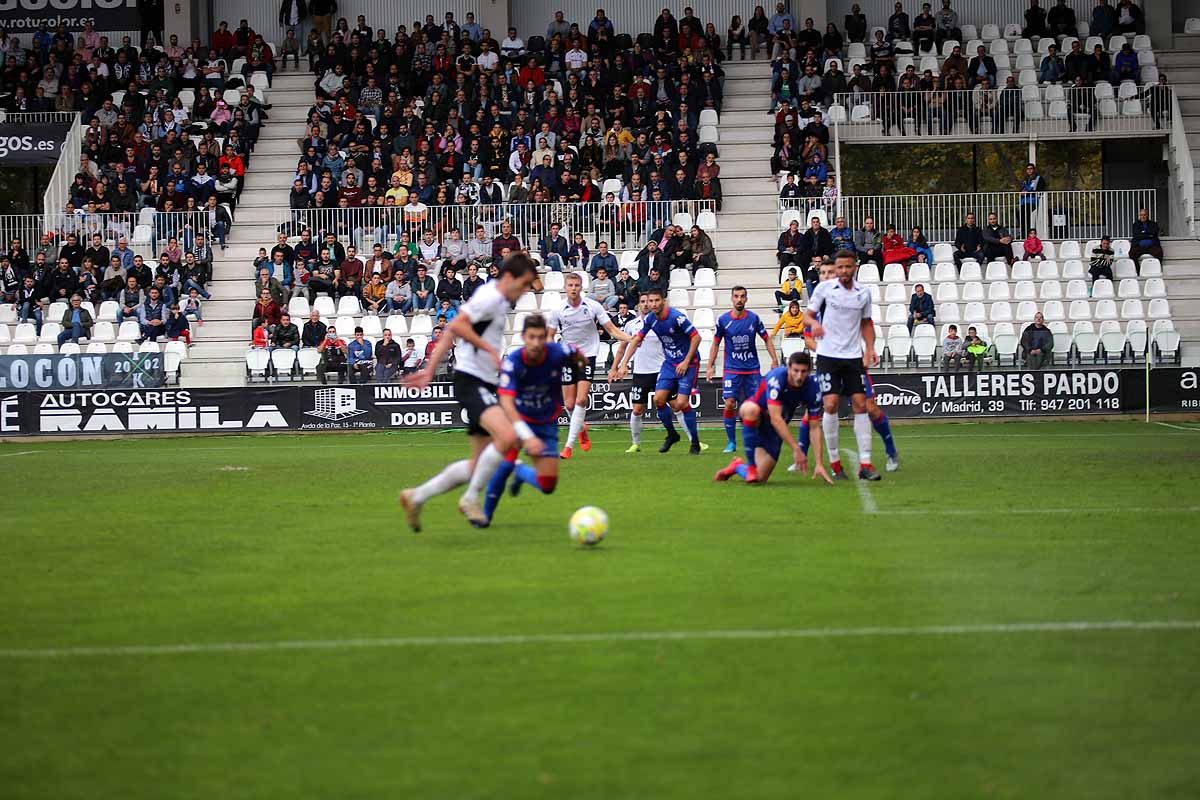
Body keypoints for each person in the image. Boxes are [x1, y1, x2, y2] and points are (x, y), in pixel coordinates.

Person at [398, 253, 539, 529]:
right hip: (471, 379)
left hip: (484, 381)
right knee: (508, 436)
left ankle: (416, 496)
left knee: (477, 466)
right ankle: (471, 498)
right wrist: (487, 348)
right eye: (523, 285)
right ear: (509, 277)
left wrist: (429, 369)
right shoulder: (491, 298)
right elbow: (456, 325)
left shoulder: (497, 299)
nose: (524, 292)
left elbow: (452, 332)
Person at [479, 315, 588, 526]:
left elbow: (578, 354)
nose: (536, 342)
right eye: (532, 337)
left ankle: (519, 472)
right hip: (518, 420)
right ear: (523, 337)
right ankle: (485, 515)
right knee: (504, 464)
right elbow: (507, 403)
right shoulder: (513, 362)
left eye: (540, 337)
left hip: (547, 423)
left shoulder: (558, 352)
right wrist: (526, 436)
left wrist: (580, 365)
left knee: (547, 485)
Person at [805, 260, 900, 471]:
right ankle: (811, 457)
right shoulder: (818, 303)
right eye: (825, 273)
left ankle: (890, 450)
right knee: (825, 406)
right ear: (820, 276)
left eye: (832, 272)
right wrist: (821, 347)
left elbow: (867, 324)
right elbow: (807, 338)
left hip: (852, 358)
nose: (829, 275)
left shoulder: (855, 297)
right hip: (827, 359)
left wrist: (869, 348)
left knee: (870, 408)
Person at [610, 287, 705, 455]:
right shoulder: (651, 319)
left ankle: (695, 442)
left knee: (681, 404)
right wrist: (623, 364)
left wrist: (686, 360)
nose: (653, 304)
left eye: (656, 300)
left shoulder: (677, 317)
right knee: (659, 401)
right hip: (669, 364)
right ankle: (672, 434)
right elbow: (637, 339)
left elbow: (697, 337)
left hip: (688, 364)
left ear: (663, 301)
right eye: (650, 301)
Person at [714, 352, 831, 485]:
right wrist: (796, 448)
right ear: (789, 369)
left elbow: (814, 427)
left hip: (775, 430)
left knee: (759, 479)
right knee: (751, 410)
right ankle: (751, 465)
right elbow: (775, 418)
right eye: (796, 371)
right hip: (759, 418)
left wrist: (819, 463)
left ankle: (737, 466)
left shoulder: (813, 388)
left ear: (810, 371)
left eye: (803, 372)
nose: (799, 376)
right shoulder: (777, 377)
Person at [547, 273, 630, 459]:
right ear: (565, 287)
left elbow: (611, 330)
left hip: (587, 355)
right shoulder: (558, 310)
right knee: (568, 403)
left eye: (577, 285)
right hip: (567, 356)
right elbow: (549, 336)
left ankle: (568, 446)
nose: (574, 288)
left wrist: (631, 338)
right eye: (570, 285)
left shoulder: (592, 306)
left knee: (581, 400)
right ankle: (581, 427)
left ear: (581, 287)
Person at [706, 286, 779, 454]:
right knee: (730, 403)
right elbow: (716, 343)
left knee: (756, 407)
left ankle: (758, 438)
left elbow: (767, 339)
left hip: (752, 369)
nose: (739, 299)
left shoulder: (753, 319)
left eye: (742, 296)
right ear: (732, 299)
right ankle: (731, 442)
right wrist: (710, 366)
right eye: (736, 296)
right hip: (732, 369)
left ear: (746, 299)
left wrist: (774, 359)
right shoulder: (723, 320)